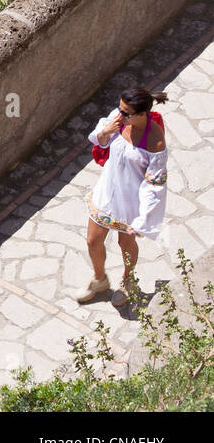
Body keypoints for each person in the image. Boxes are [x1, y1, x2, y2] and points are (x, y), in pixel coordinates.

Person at [76, 86, 170, 306]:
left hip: (130, 202)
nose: (120, 115)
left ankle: (128, 280)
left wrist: (142, 220)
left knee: (125, 244)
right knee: (92, 241)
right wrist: (107, 131)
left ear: (142, 114)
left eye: (126, 112)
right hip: (106, 192)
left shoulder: (155, 142)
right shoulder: (119, 120)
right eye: (120, 109)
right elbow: (100, 141)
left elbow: (154, 186)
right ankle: (99, 279)